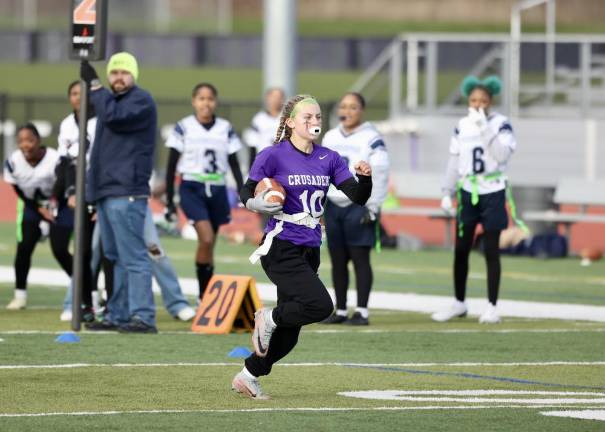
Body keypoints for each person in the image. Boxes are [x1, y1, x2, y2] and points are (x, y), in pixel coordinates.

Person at [231, 94, 372, 399]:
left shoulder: (329, 158)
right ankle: (267, 318)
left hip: (310, 248)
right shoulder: (273, 155)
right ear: (291, 122)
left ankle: (248, 374)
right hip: (281, 246)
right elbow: (245, 189)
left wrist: (365, 179)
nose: (314, 122)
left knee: (290, 336)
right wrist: (257, 203)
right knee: (320, 306)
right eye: (307, 117)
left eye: (318, 117)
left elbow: (358, 197)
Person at [81, 52, 158, 333]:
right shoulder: (109, 103)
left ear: (133, 75)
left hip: (126, 190)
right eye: (114, 73)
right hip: (107, 191)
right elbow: (97, 153)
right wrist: (92, 194)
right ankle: (118, 314)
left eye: (124, 72)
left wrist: (96, 87)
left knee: (133, 256)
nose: (118, 77)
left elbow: (114, 117)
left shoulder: (140, 100)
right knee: (115, 257)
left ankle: (143, 316)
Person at [431, 75, 517, 324]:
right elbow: (454, 161)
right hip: (468, 191)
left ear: (491, 101)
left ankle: (491, 306)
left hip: (493, 190)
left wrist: (485, 128)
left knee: (491, 249)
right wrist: (446, 192)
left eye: (483, 100)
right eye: (473, 100)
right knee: (461, 250)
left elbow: (501, 155)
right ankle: (459, 302)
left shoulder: (501, 124)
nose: (477, 104)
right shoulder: (461, 125)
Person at [164, 83, 244, 301]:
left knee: (210, 244)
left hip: (217, 188)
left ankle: (208, 296)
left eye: (210, 98)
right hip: (192, 187)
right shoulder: (184, 127)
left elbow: (234, 163)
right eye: (201, 98)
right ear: (193, 101)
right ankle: (203, 295)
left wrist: (243, 189)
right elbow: (171, 165)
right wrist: (170, 200)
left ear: (215, 102)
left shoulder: (225, 128)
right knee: (206, 238)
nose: (205, 103)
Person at [321, 92, 389, 326]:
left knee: (360, 258)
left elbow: (380, 173)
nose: (347, 111)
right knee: (337, 259)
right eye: (344, 106)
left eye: (353, 107)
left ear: (362, 111)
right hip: (333, 203)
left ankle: (361, 311)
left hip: (358, 203)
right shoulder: (329, 136)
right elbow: (322, 171)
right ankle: (340, 309)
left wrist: (373, 206)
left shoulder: (371, 138)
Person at [3, 123, 72, 310]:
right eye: (21, 141)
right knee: (24, 247)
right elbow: (17, 188)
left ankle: (82, 287)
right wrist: (38, 209)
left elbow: (63, 183)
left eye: (30, 140)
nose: (26, 145)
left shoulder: (55, 159)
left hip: (61, 205)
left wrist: (52, 206)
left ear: (39, 141)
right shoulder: (13, 162)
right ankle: (20, 295)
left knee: (59, 249)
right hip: (31, 205)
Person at [54, 80, 99, 322]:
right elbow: (64, 162)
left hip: (95, 191)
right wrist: (63, 192)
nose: (77, 97)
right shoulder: (66, 125)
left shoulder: (99, 122)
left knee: (89, 250)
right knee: (60, 245)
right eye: (73, 93)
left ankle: (85, 302)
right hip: (71, 191)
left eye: (82, 93)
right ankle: (83, 296)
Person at [243, 87, 285, 167]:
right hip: (264, 164)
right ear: (267, 98)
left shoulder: (290, 119)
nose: (276, 100)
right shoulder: (258, 119)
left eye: (279, 97)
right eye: (273, 97)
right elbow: (252, 146)